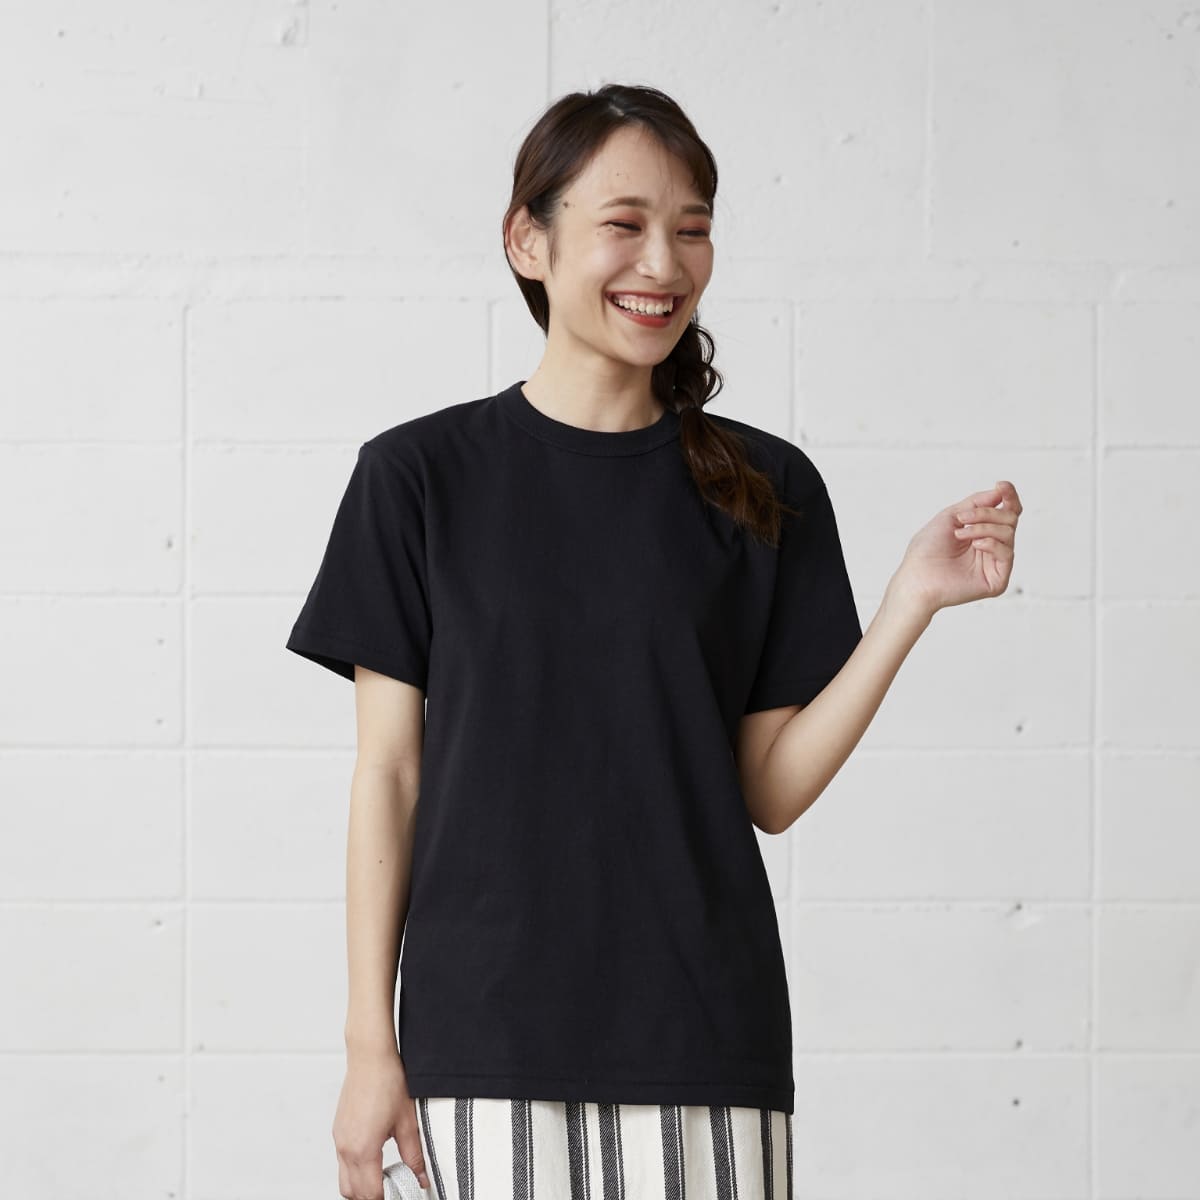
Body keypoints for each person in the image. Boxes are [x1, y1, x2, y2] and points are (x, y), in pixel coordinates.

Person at [285, 82, 1021, 1200]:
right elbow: (389, 775)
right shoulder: (417, 479)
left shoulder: (765, 486)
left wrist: (908, 604)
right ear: (528, 241)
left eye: (693, 229)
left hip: (706, 1041)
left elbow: (768, 789)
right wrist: (366, 1048)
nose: (664, 265)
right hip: (478, 1047)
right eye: (624, 225)